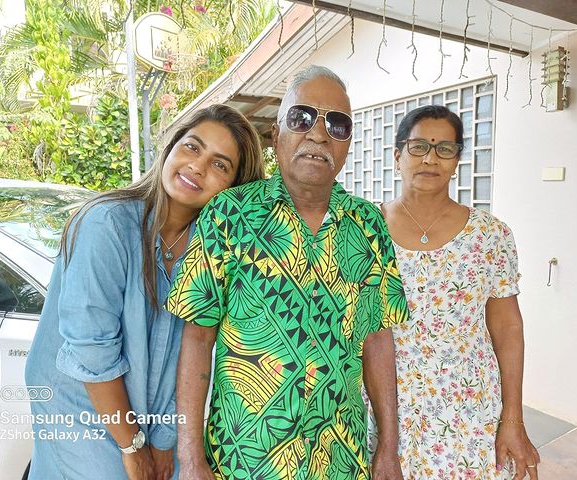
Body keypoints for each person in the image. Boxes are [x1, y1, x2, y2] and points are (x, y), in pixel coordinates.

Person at [166, 65, 409, 480]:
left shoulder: (369, 224)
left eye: (337, 124)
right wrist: (190, 458)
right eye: (302, 118)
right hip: (245, 460)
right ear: (276, 135)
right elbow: (197, 337)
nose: (318, 134)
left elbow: (378, 339)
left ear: (347, 145)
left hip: (341, 459)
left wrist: (388, 447)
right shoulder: (229, 214)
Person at [24, 104, 265, 480]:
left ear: (234, 188)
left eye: (221, 165)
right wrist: (132, 446)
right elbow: (91, 349)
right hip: (80, 409)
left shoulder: (210, 250)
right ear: (170, 147)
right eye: (192, 147)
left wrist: (165, 438)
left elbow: (189, 352)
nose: (198, 166)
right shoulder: (106, 223)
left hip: (152, 423)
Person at [378, 105, 540, 480]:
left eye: (445, 149)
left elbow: (508, 330)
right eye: (418, 147)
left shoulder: (490, 234)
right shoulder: (367, 228)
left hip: (469, 409)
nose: (431, 158)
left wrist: (512, 417)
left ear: (456, 161)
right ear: (398, 155)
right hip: (389, 410)